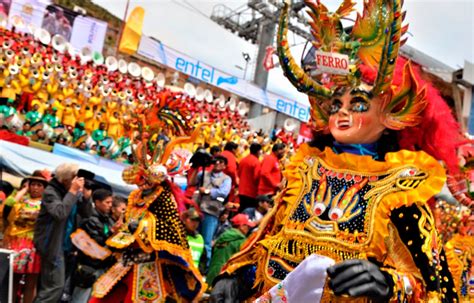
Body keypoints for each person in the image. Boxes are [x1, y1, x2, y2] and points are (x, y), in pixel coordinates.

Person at [211, 1, 459, 302]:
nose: (343, 114)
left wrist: (388, 283)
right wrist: (237, 277)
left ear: (389, 115)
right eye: (335, 105)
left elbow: (433, 289)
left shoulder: (402, 189)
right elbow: (270, 243)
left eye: (357, 105)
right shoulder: (307, 171)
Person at [33, 163, 84, 303]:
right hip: (51, 245)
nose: (77, 180)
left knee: (51, 288)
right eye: (74, 177)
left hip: (66, 247)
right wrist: (73, 192)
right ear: (66, 179)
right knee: (55, 287)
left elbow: (87, 213)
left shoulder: (70, 192)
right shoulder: (51, 192)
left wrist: (85, 196)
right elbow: (60, 213)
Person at [3, 171, 49, 303]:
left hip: (34, 246)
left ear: (44, 188)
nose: (35, 187)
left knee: (30, 283)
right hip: (17, 244)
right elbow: (7, 205)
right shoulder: (21, 202)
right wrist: (22, 191)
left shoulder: (46, 205)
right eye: (33, 184)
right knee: (13, 280)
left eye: (39, 185)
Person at [71, 189, 115, 303]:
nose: (110, 206)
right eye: (107, 202)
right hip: (88, 265)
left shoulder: (108, 219)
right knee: (80, 298)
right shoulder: (89, 218)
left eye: (111, 203)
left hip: (101, 265)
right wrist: (112, 232)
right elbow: (94, 242)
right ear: (97, 202)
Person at [189, 155, 231, 267]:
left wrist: (207, 191)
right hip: (197, 210)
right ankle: (189, 262)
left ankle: (204, 267)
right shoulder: (203, 173)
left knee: (206, 241)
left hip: (211, 212)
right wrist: (197, 167)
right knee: (191, 236)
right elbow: (191, 182)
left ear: (224, 166)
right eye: (216, 161)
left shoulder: (226, 179)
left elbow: (223, 192)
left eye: (221, 162)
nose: (217, 163)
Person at [206, 214, 256, 286]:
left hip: (211, 277)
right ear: (241, 226)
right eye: (247, 226)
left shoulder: (223, 235)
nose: (248, 229)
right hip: (223, 279)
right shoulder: (241, 241)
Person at [238, 143, 262, 211]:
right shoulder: (256, 162)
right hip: (251, 192)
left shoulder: (243, 160)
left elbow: (239, 173)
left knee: (241, 209)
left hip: (241, 190)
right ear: (258, 151)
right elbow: (256, 177)